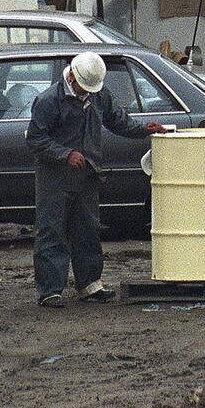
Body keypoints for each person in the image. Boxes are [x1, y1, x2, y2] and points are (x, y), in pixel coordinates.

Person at [26, 51, 167, 307]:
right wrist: (65, 154)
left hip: (86, 174)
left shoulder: (98, 95)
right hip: (54, 177)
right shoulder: (48, 101)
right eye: (83, 88)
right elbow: (35, 139)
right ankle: (50, 290)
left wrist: (143, 130)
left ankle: (90, 284)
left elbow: (117, 121)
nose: (86, 93)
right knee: (52, 230)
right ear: (72, 77)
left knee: (87, 228)